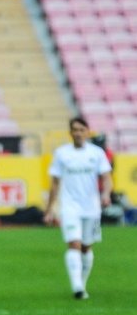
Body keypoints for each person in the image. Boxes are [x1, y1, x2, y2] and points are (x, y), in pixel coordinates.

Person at [44, 117, 113, 299]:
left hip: (91, 207)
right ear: (70, 132)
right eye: (74, 129)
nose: (78, 133)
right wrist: (50, 209)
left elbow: (106, 177)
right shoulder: (61, 154)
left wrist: (106, 194)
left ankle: (82, 283)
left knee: (86, 247)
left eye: (81, 129)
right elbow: (55, 183)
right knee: (74, 243)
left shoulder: (97, 153)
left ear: (87, 132)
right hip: (69, 206)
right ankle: (77, 287)